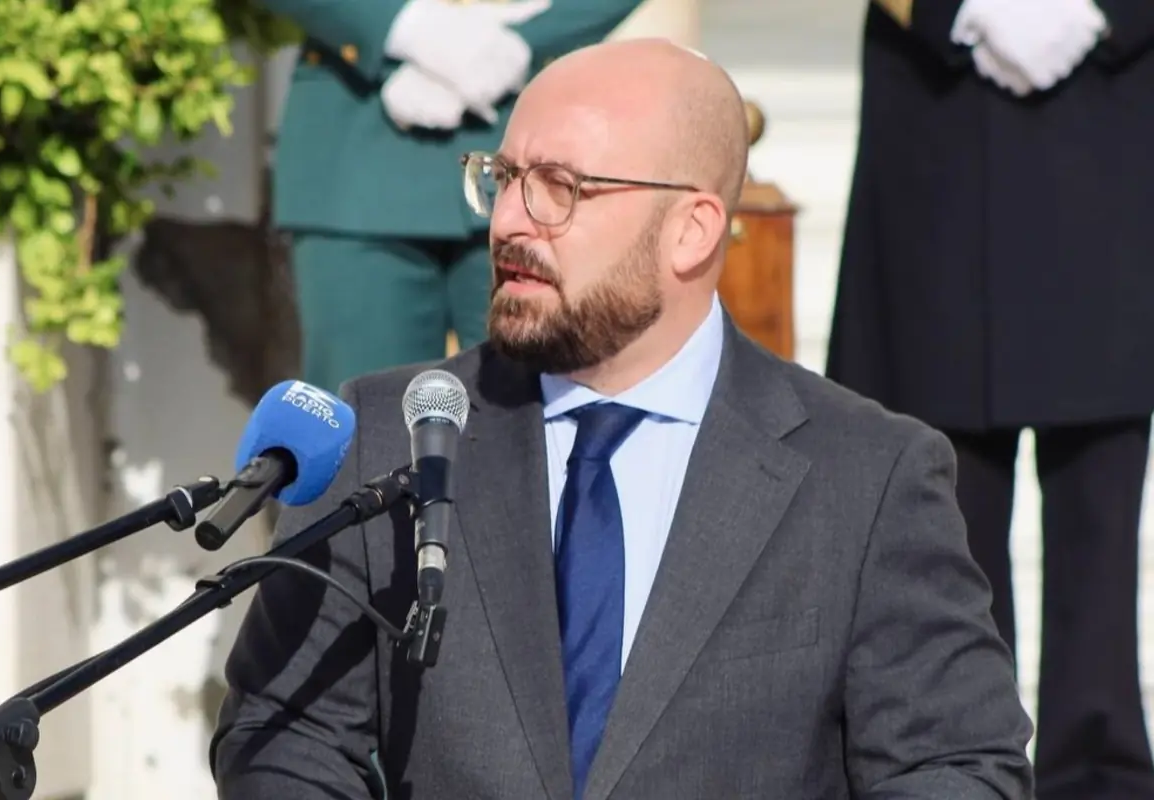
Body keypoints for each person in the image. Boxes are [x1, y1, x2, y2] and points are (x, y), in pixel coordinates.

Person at [211, 39, 1034, 800]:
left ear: (691, 230)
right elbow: (283, 733)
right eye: (502, 177)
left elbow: (958, 768)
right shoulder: (387, 433)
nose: (506, 222)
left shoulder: (870, 474)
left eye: (560, 188)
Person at [826, 1, 1154, 796]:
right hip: (937, 102)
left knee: (1101, 509)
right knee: (939, 505)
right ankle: (955, 762)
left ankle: (1101, 770)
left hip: (1112, 105)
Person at [256, 0, 648, 392]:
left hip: (529, 151)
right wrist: (404, 27)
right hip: (359, 145)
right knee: (364, 421)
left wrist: (521, 46)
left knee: (547, 418)